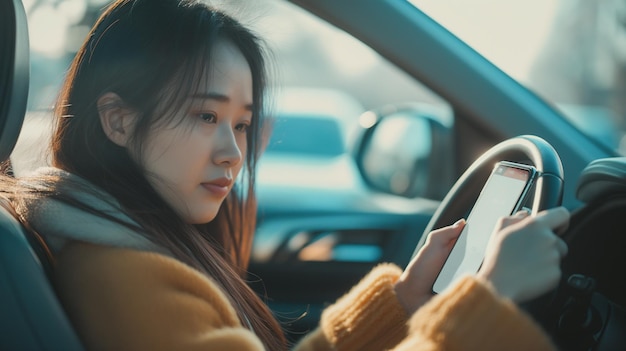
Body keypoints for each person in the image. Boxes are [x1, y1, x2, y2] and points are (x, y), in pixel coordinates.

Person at [1, 0, 570, 350]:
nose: (232, 153)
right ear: (119, 121)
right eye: (206, 116)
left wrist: (402, 305)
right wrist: (486, 299)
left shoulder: (114, 243)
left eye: (242, 125)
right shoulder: (129, 279)